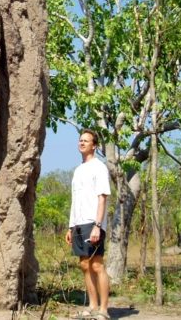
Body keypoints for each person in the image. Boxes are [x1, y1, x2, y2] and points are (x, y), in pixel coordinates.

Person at [65, 129, 111, 319]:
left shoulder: (99, 167)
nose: (82, 143)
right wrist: (71, 226)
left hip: (93, 222)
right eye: (80, 140)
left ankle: (103, 310)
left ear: (94, 145)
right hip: (78, 223)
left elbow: (102, 198)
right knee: (84, 265)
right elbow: (75, 199)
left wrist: (97, 225)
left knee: (97, 265)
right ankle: (92, 306)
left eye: (86, 140)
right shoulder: (78, 170)